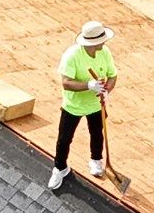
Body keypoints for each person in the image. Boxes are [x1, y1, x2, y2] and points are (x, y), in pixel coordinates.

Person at [49, 21, 115, 191]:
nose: (105, 43)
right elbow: (66, 83)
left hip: (95, 104)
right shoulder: (72, 55)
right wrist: (89, 85)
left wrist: (107, 90)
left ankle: (96, 160)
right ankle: (60, 168)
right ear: (93, 42)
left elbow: (112, 75)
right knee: (64, 138)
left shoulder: (105, 52)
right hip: (73, 106)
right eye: (102, 40)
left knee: (97, 133)